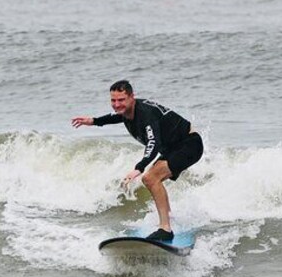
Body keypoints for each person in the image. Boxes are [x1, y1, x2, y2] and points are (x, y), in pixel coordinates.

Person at [71, 80, 203, 242]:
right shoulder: (130, 110)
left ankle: (165, 229)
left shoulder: (146, 114)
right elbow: (117, 116)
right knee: (154, 179)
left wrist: (139, 168)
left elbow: (153, 143)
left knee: (150, 177)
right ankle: (169, 219)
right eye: (113, 100)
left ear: (132, 97)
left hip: (189, 144)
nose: (117, 104)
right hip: (174, 148)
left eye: (121, 100)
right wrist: (94, 121)